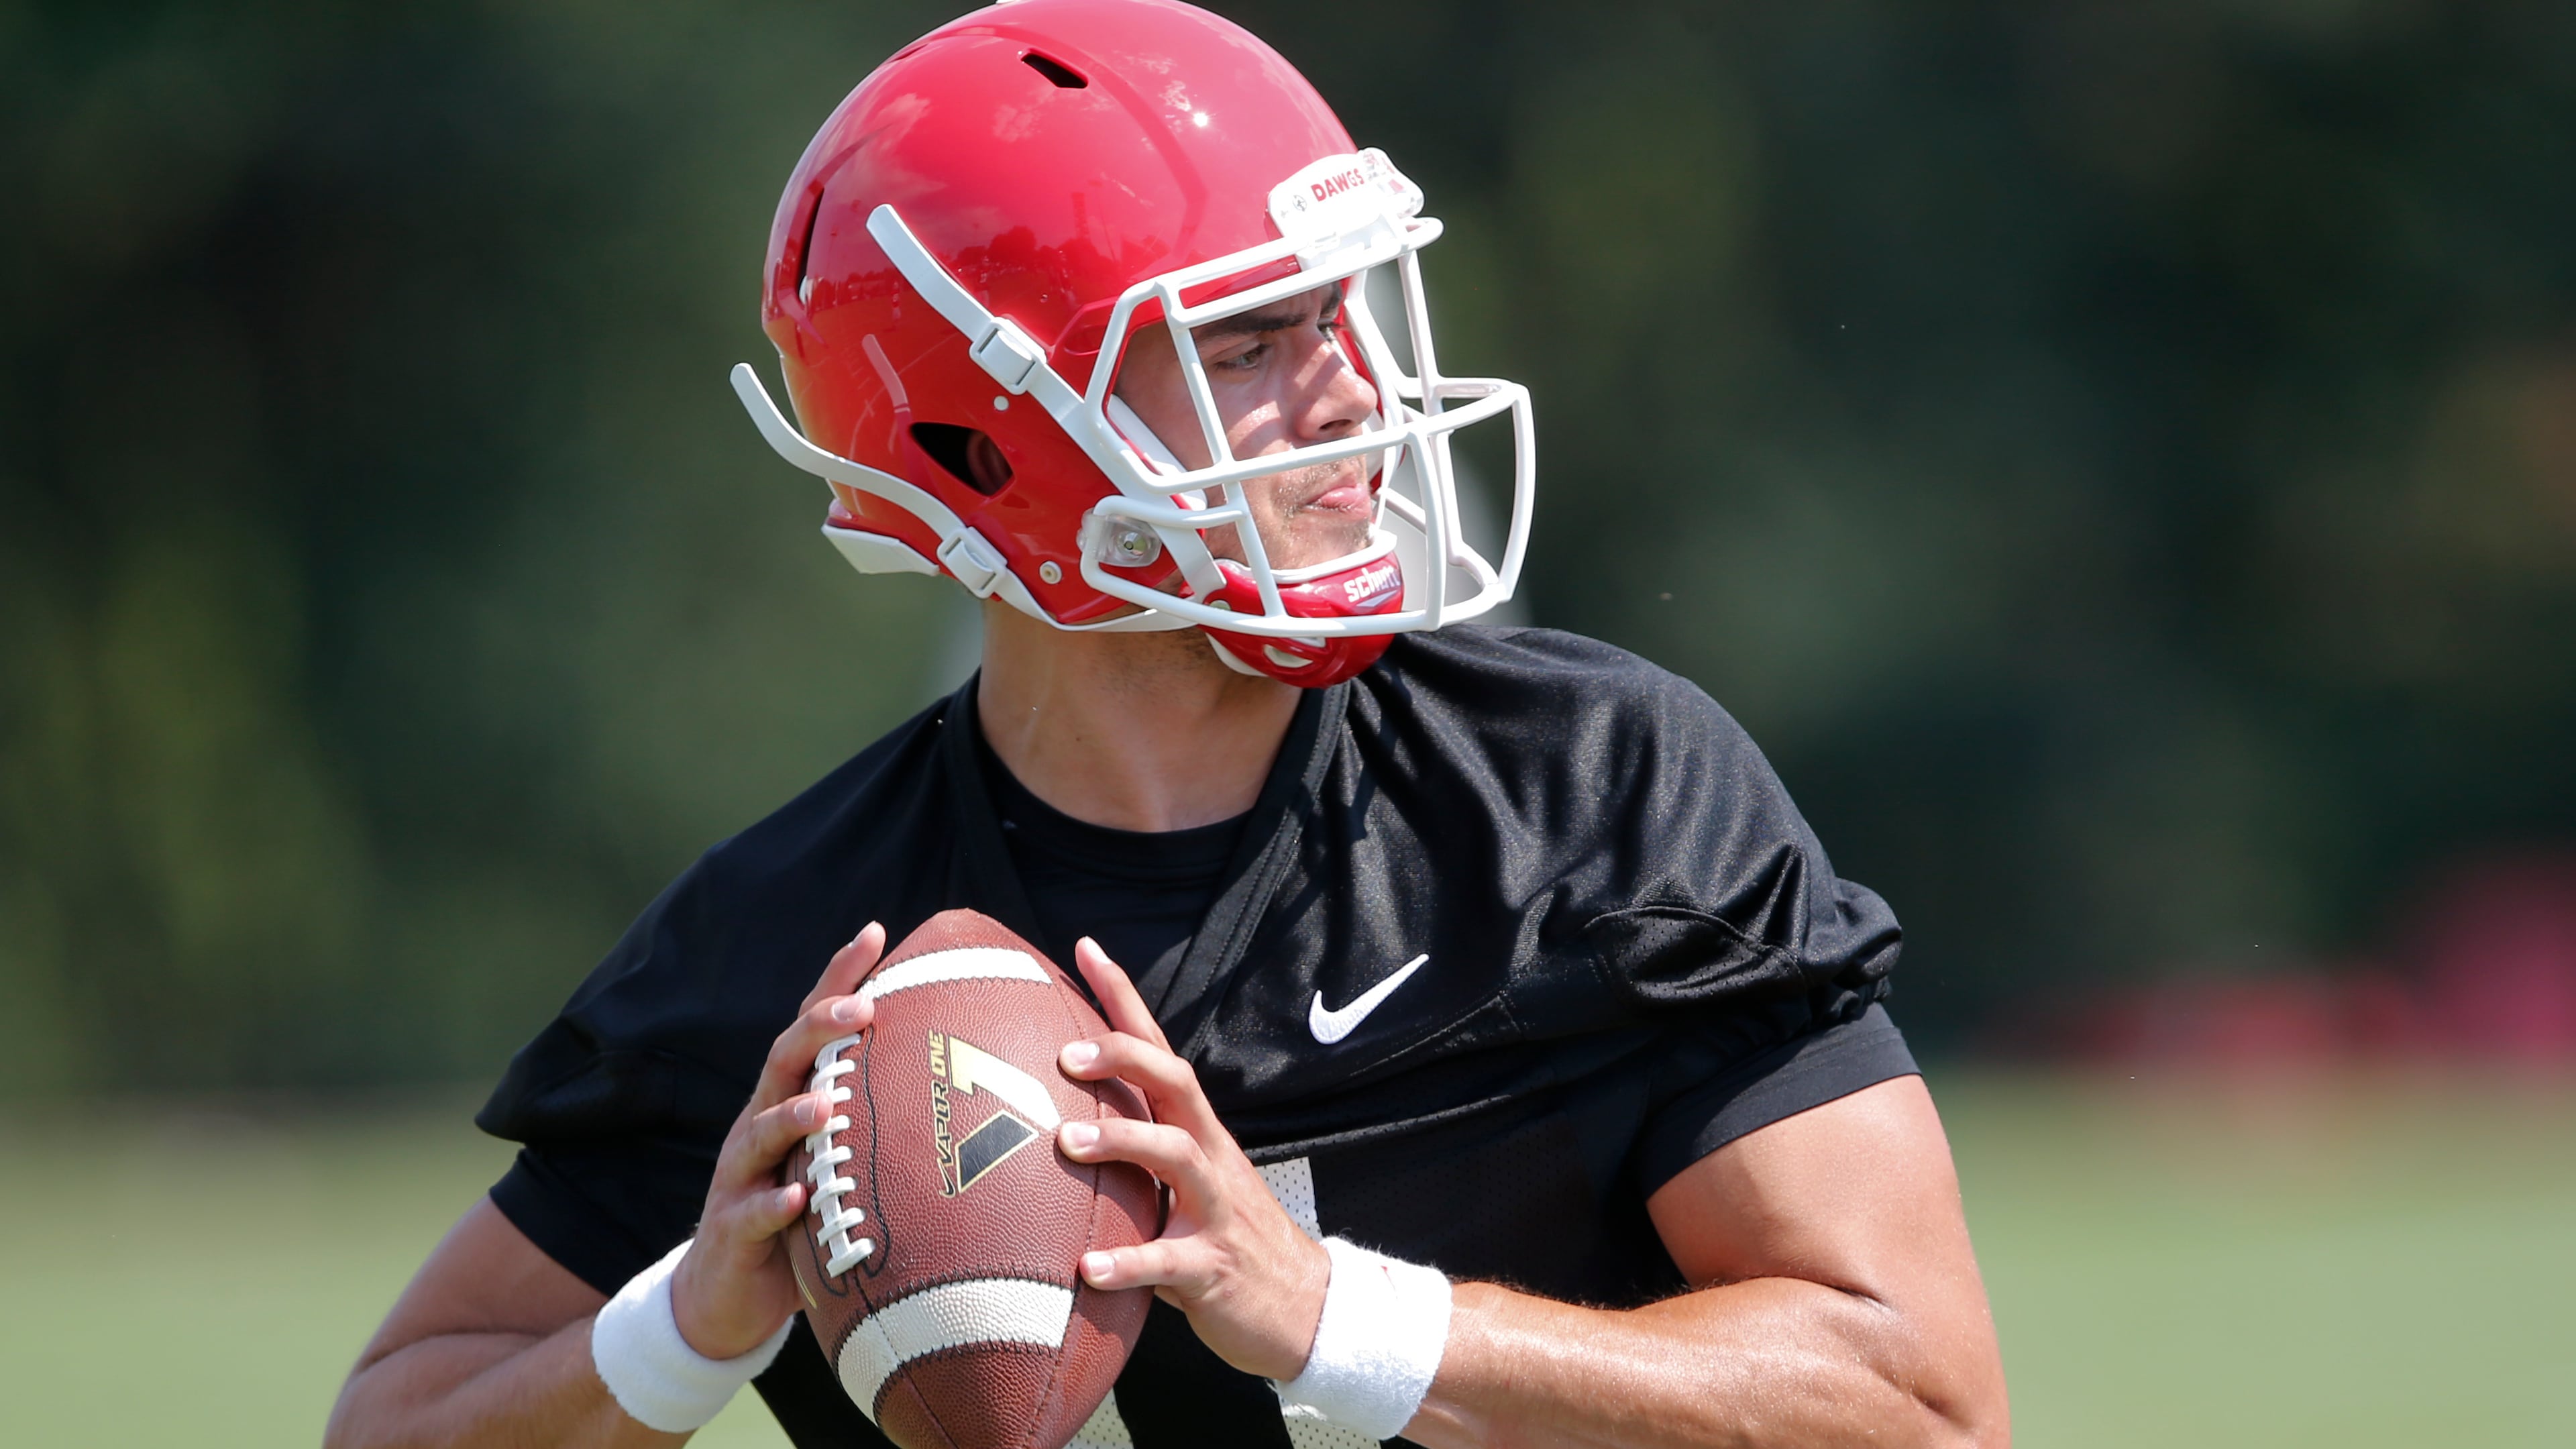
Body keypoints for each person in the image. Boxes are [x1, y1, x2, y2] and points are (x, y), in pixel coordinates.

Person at [326, 1, 2010, 1445]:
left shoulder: (1589, 800)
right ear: (985, 446)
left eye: (1343, 310)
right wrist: (679, 1328)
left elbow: (1926, 1403)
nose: (1352, 388)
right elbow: (401, 1413)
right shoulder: (790, 963)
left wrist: (1341, 1322)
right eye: (1249, 336)